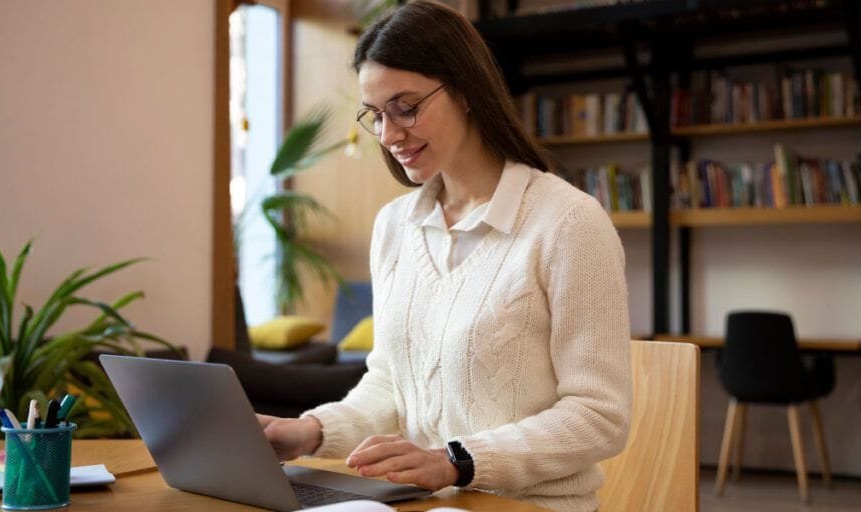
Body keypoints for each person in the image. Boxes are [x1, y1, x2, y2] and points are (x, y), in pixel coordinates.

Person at [256, 2, 632, 510]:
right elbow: (390, 383)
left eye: (405, 107)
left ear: (466, 89)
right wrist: (309, 431)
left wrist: (457, 460)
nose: (389, 136)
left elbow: (599, 415)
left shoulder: (568, 223)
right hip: (425, 503)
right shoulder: (395, 226)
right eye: (376, 116)